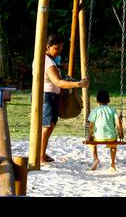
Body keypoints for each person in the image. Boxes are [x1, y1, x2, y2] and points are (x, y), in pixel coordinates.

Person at [39, 34, 89, 164]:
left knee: (50, 125)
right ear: (48, 47)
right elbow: (57, 82)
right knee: (47, 125)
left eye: (61, 48)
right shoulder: (47, 62)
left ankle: (41, 153)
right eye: (57, 48)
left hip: (51, 95)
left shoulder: (50, 60)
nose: (59, 51)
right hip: (47, 95)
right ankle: (40, 155)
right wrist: (78, 84)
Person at [87, 90, 124, 171]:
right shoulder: (112, 110)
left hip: (98, 137)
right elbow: (118, 123)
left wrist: (89, 137)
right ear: (108, 100)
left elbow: (90, 127)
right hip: (111, 137)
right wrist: (121, 133)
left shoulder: (95, 111)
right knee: (114, 144)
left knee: (91, 143)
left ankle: (95, 158)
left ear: (97, 101)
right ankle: (113, 164)